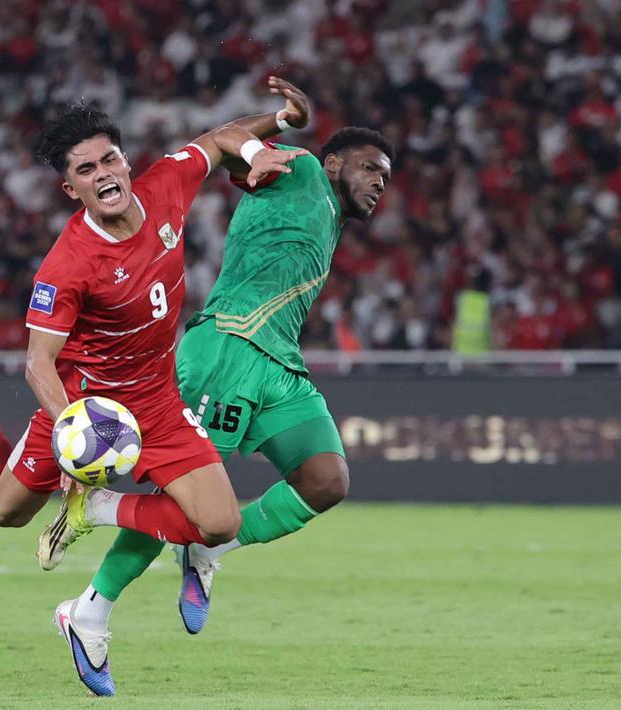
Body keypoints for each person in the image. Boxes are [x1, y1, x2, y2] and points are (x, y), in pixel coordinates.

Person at [0, 84, 309, 696]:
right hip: (88, 406)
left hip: (158, 401)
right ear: (71, 189)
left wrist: (275, 126)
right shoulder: (68, 264)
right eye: (85, 170)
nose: (103, 174)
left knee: (218, 525)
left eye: (109, 159)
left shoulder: (165, 185)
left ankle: (94, 509)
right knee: (4, 512)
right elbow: (38, 363)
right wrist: (75, 430)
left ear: (126, 161)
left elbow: (219, 139)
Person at [60, 119, 395, 695]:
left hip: (280, 363)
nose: (378, 184)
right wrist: (267, 137)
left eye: (385, 178)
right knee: (182, 498)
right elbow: (233, 151)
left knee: (326, 480)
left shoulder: (330, 217)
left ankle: (207, 549)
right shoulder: (304, 171)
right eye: (370, 169)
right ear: (335, 163)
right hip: (227, 348)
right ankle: (90, 610)